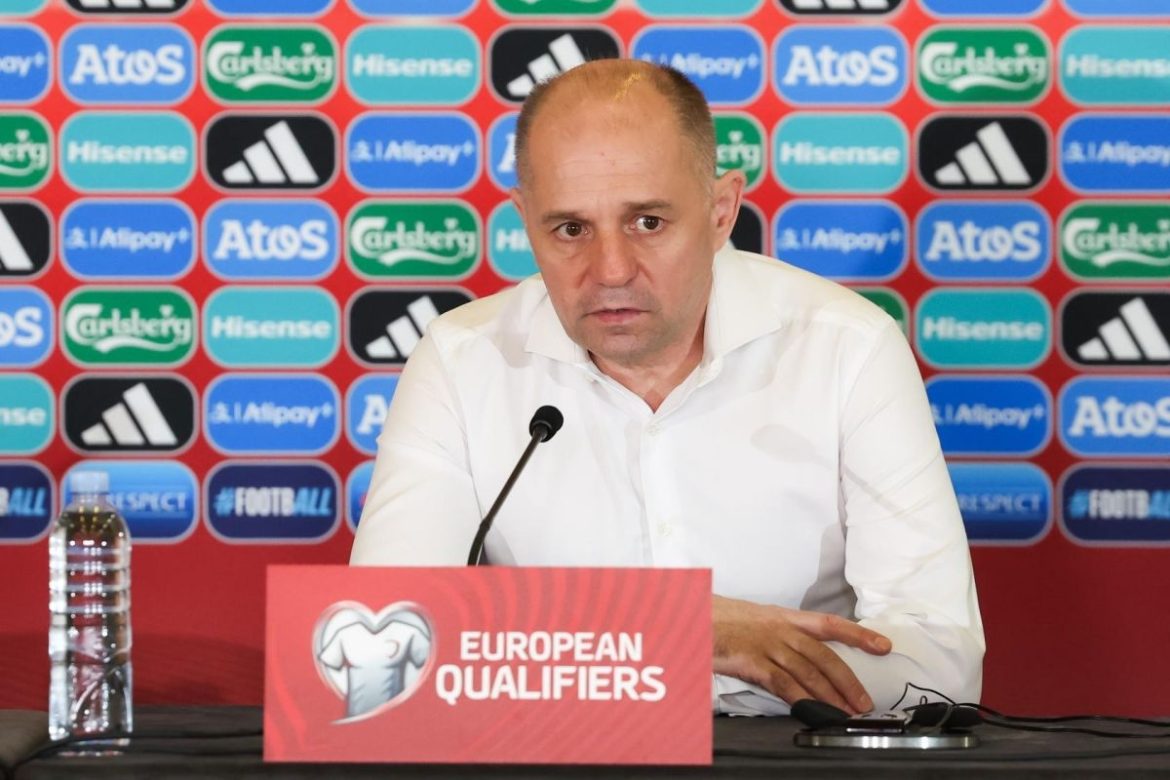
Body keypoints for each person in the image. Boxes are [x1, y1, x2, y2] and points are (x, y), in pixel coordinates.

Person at [350, 59, 984, 716]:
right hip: (550, 757)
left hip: (789, 758)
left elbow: (940, 664)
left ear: (720, 211)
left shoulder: (846, 348)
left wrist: (616, 660)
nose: (611, 270)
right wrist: (680, 630)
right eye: (570, 229)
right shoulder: (462, 360)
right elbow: (381, 648)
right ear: (525, 220)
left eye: (647, 222)